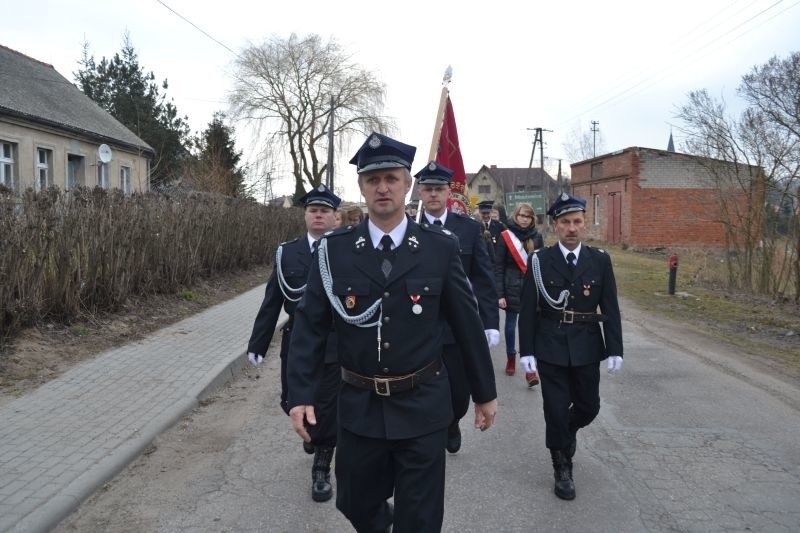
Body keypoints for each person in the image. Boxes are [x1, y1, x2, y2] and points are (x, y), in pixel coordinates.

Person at [287, 132, 498, 532]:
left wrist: (484, 392)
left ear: (407, 185)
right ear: (362, 188)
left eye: (391, 179)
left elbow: (466, 324)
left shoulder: (440, 248)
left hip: (422, 404)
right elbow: (309, 327)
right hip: (360, 404)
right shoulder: (335, 251)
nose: (382, 187)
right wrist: (301, 395)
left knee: (419, 519)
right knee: (354, 502)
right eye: (373, 180)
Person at [518, 192, 623, 501]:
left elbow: (611, 307)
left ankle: (567, 432)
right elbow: (527, 309)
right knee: (554, 408)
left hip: (587, 345)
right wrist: (526, 352)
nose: (572, 228)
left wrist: (615, 348)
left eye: (577, 221)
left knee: (589, 407)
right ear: (555, 226)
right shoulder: (539, 261)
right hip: (550, 344)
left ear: (584, 223)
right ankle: (562, 466)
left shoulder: (600, 260)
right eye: (565, 222)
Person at [246, 184, 342, 503]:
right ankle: (312, 431)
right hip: (297, 341)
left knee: (328, 407)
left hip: (332, 342)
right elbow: (273, 300)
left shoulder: (345, 251)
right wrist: (258, 343)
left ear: (334, 217)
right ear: (305, 215)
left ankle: (321, 470)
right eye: (313, 210)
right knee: (292, 400)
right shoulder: (288, 252)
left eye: (324, 211)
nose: (318, 215)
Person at [415, 160, 500, 454]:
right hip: (421, 326)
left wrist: (490, 322)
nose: (434, 195)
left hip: (457, 326)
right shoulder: (408, 229)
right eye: (428, 189)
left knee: (459, 395)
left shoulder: (467, 228)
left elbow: (483, 278)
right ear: (420, 193)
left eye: (439, 189)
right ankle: (435, 429)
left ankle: (452, 422)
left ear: (448, 194)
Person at [495, 202, 544, 380]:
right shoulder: (505, 236)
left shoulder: (537, 236)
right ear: (516, 216)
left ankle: (530, 366)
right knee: (510, 326)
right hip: (510, 288)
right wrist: (499, 294)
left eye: (528, 216)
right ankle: (510, 357)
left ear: (532, 219)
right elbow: (498, 267)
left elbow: (541, 265)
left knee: (530, 327)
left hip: (531, 288)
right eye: (522, 216)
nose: (525, 219)